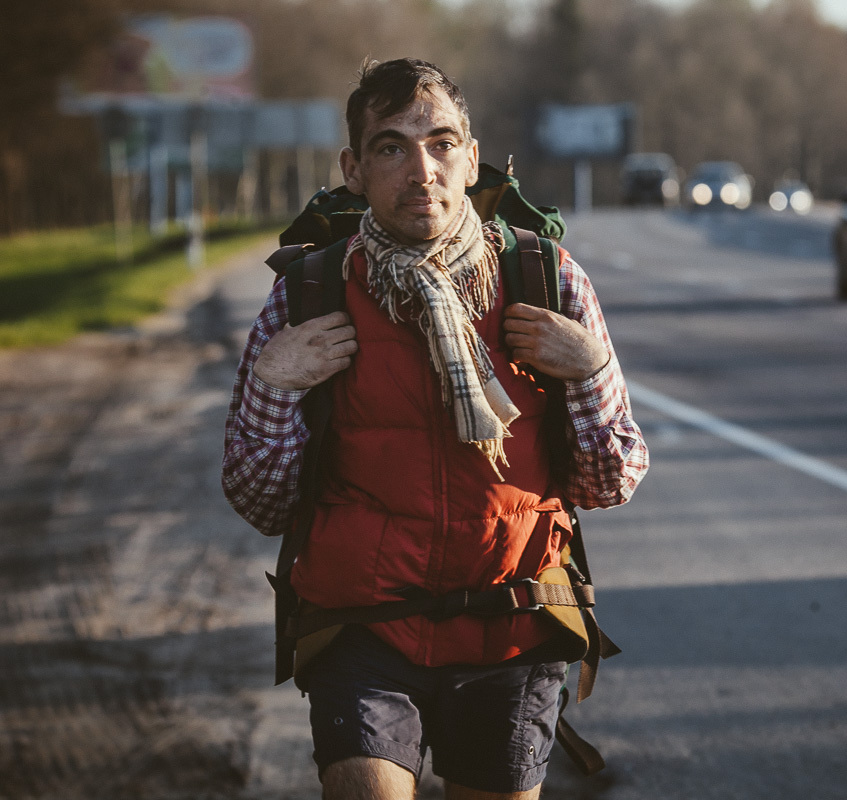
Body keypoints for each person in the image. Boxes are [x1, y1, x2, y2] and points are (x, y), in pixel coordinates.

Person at [221, 57, 648, 800]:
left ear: (471, 158)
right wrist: (271, 386)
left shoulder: (548, 281)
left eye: (441, 143)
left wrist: (590, 370)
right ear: (354, 169)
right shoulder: (308, 297)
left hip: (513, 625)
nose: (422, 169)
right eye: (392, 147)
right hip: (362, 626)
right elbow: (261, 504)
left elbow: (607, 483)